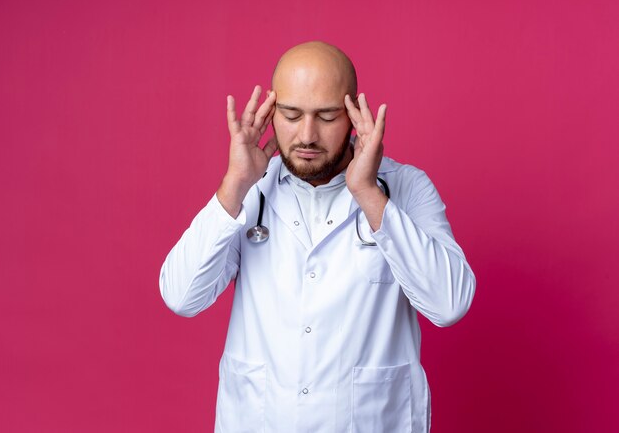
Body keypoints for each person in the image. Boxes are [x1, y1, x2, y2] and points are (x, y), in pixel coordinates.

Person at [160, 41, 476, 433]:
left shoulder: (405, 188)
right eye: (292, 115)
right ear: (271, 114)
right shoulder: (250, 192)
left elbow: (449, 305)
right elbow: (181, 296)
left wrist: (368, 193)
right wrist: (234, 184)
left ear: (353, 114)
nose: (307, 136)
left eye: (326, 117)